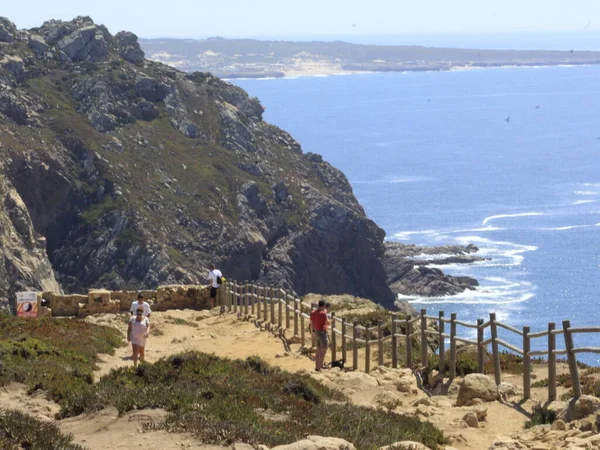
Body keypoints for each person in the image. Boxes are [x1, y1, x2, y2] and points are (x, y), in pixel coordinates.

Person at [309, 300, 330, 371]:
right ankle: (320, 367)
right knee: (323, 350)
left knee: (318, 351)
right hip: (323, 333)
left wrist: (312, 332)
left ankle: (317, 367)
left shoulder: (312, 313)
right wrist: (326, 314)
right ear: (323, 306)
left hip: (316, 332)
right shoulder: (323, 314)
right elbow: (328, 323)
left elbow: (311, 323)